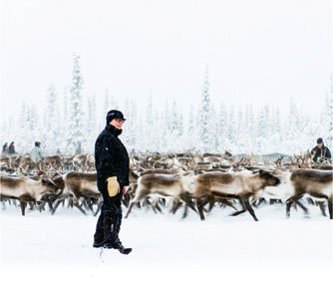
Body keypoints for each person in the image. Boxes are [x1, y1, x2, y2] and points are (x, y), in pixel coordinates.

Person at [93, 109, 132, 254]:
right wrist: (112, 180)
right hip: (111, 180)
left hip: (115, 180)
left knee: (107, 209)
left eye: (122, 121)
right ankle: (112, 240)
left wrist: (124, 182)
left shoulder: (112, 137)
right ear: (110, 121)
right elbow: (105, 162)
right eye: (117, 120)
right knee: (113, 211)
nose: (120, 123)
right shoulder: (107, 138)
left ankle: (100, 239)